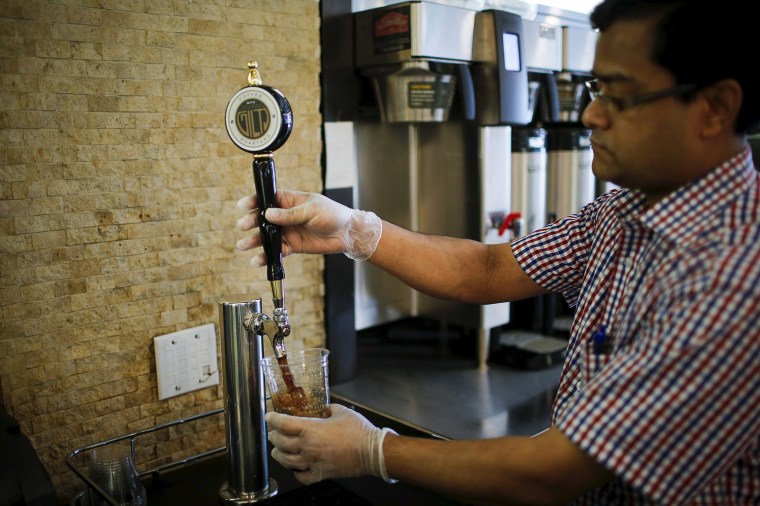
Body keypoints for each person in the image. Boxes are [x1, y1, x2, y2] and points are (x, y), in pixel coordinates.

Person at [236, 0, 760, 503]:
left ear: (714, 108)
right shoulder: (621, 213)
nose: (592, 116)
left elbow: (556, 473)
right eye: (595, 89)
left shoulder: (734, 275)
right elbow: (488, 270)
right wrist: (353, 229)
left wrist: (373, 450)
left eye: (620, 97)